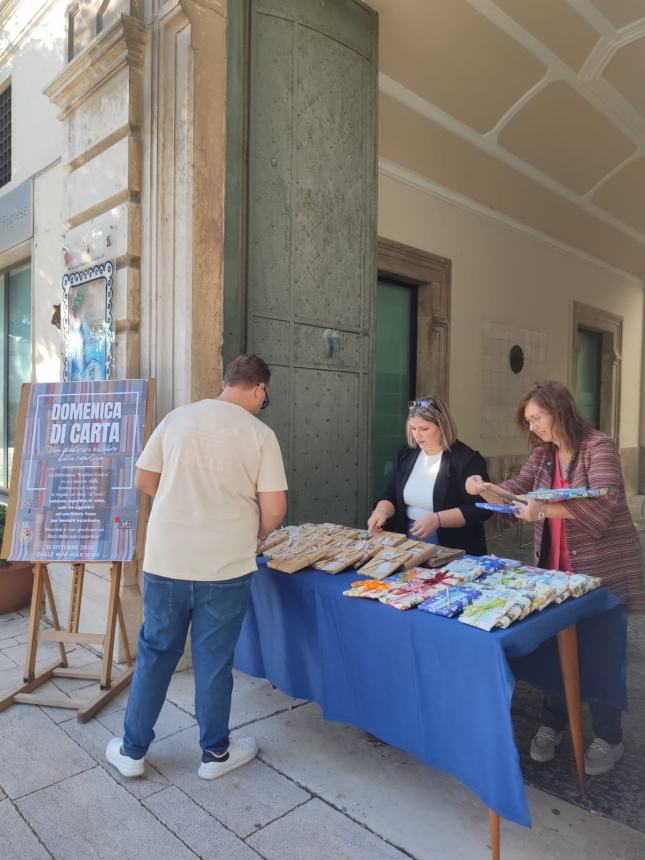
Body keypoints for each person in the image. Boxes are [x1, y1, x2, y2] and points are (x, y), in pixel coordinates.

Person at [105, 354, 287, 780]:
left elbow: (144, 479)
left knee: (155, 654)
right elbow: (275, 510)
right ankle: (215, 755)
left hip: (167, 559)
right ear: (260, 389)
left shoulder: (178, 418)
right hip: (226, 566)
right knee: (214, 660)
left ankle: (132, 751)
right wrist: (256, 532)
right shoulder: (260, 434)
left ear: (225, 382)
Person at [466, 380, 645, 776]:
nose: (532, 428)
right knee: (552, 647)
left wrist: (542, 512)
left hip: (601, 570)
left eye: (536, 418)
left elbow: (607, 498)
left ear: (558, 410)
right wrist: (487, 487)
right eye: (528, 421)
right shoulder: (543, 455)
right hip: (555, 571)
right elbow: (519, 489)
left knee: (600, 651)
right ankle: (553, 723)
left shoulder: (598, 446)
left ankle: (608, 736)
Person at [367, 396, 492, 555]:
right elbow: (390, 494)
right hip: (406, 538)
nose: (417, 436)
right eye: (413, 428)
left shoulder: (466, 459)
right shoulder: (406, 453)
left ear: (443, 427)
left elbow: (481, 509)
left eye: (424, 429)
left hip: (451, 544)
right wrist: (380, 512)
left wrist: (437, 519)